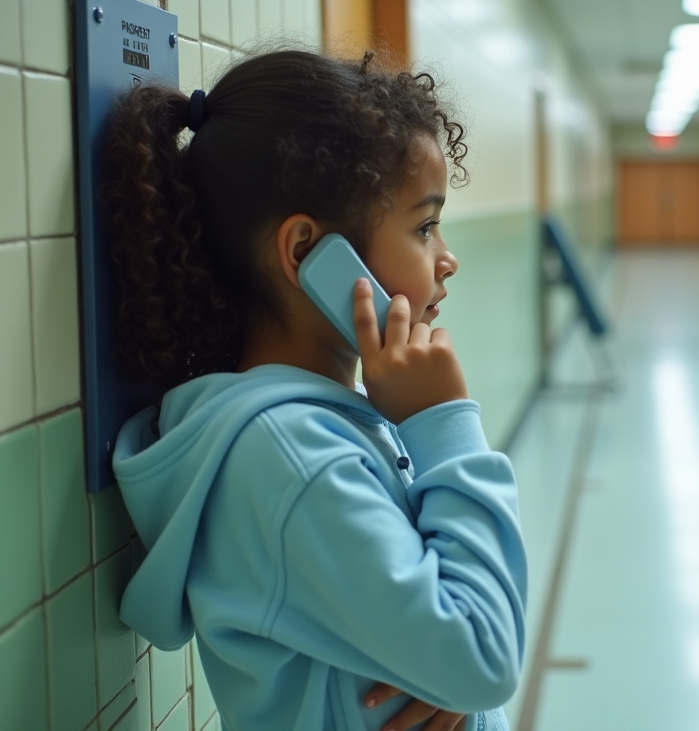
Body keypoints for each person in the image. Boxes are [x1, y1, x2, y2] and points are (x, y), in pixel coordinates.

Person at [107, 50, 527, 731]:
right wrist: (447, 425)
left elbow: (455, 639)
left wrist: (444, 661)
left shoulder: (326, 427)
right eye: (423, 226)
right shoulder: (293, 460)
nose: (447, 257)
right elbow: (483, 653)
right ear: (306, 252)